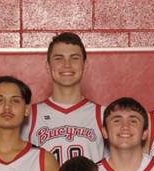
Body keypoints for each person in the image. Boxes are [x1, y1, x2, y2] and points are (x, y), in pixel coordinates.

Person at [25, 32, 105, 163]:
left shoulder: (103, 115)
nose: (67, 64)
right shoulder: (29, 116)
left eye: (74, 58)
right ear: (48, 66)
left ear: (85, 66)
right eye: (58, 58)